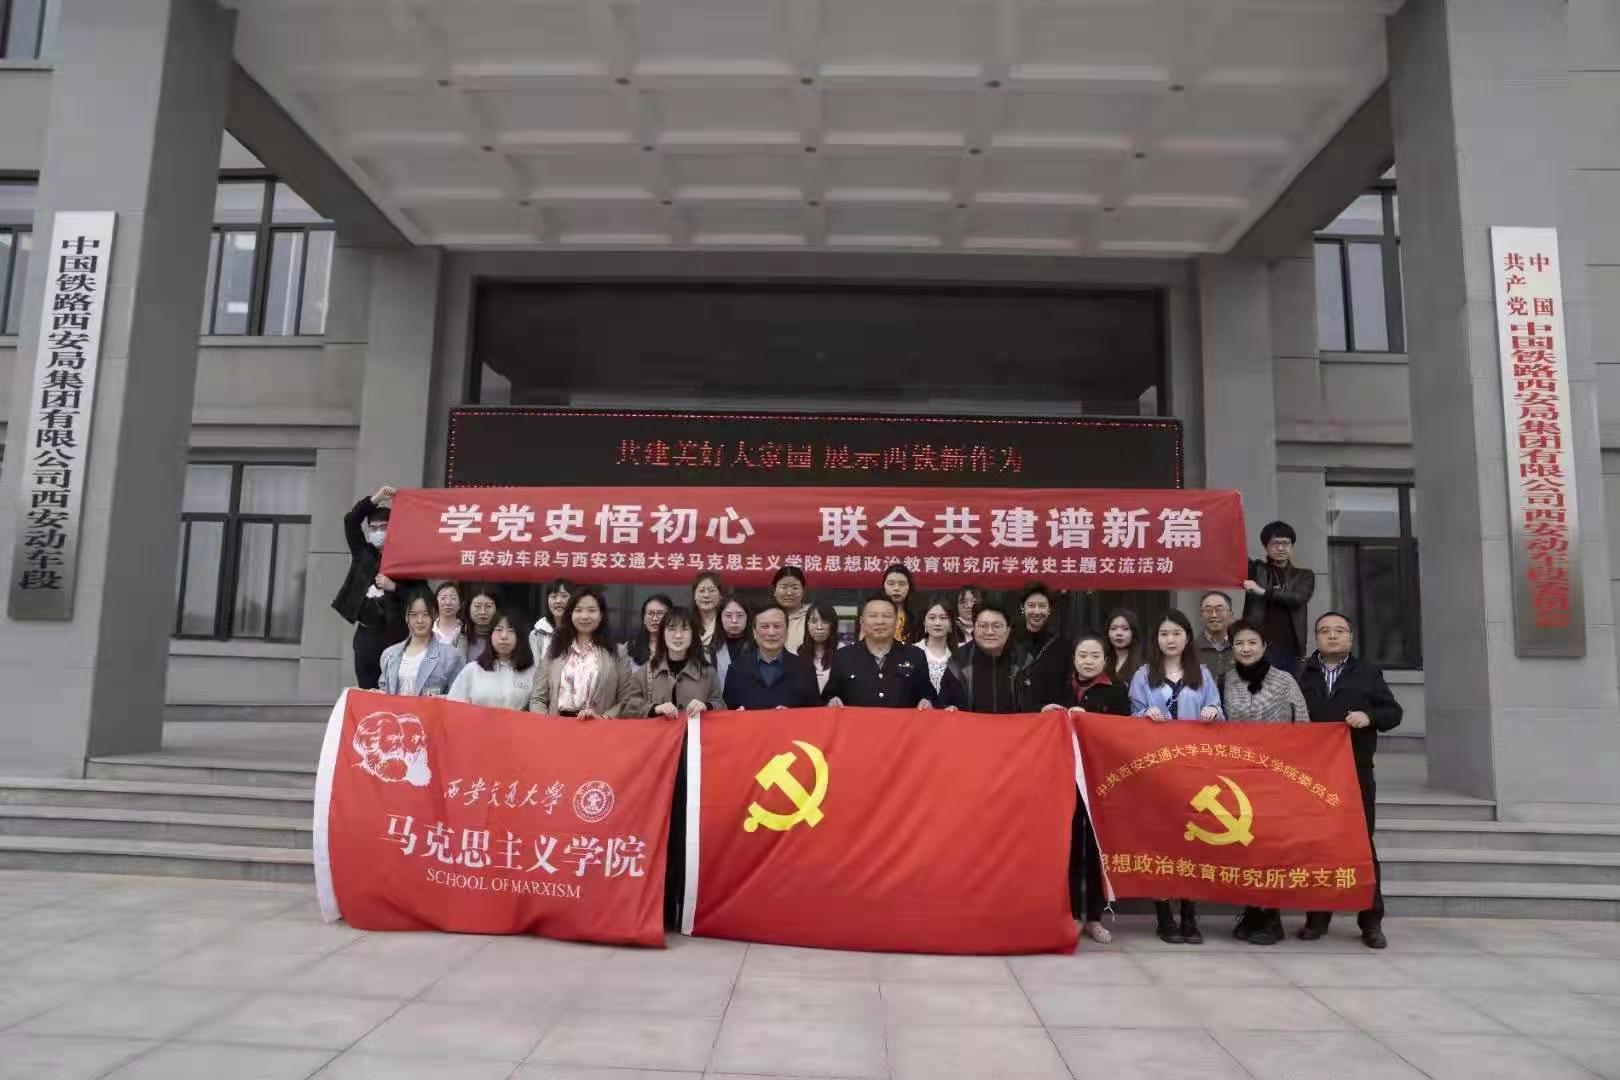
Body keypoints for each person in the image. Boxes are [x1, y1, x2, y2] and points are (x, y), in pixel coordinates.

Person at [1297, 611, 1402, 950]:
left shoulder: (1368, 674)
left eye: (1339, 631)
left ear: (1350, 637)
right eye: (1325, 631)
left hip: (1355, 773)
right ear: (1316, 637)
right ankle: (1317, 917)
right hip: (1310, 776)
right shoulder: (1300, 673)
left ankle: (1371, 921)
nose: (1332, 636)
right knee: (1316, 845)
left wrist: (1369, 716)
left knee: (1361, 844)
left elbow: (1393, 713)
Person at [1129, 609, 1222, 945]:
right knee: (1161, 842)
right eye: (1164, 634)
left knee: (1192, 842)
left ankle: (1189, 915)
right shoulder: (1143, 675)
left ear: (1187, 638)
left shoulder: (1203, 674)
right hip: (1157, 771)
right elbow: (1131, 718)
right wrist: (1145, 713)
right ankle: (1164, 916)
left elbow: (1218, 711)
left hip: (1193, 771)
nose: (1170, 640)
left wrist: (1213, 711)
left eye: (1176, 634)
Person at [1220, 619, 1309, 947]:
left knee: (1271, 847)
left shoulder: (1284, 680)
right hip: (1240, 776)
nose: (1246, 649)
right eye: (1239, 643)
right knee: (1245, 847)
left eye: (1252, 643)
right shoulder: (1226, 680)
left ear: (1264, 646)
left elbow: (1303, 724)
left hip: (1276, 776)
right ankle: (1251, 913)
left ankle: (1272, 917)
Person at [1041, 633, 1131, 943]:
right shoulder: (1060, 688)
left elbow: (1123, 734)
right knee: (1067, 846)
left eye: (1095, 656)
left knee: (1094, 850)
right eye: (1083, 655)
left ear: (1105, 660)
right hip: (1062, 780)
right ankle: (1070, 915)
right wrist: (1045, 716)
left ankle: (1094, 917)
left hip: (1098, 782)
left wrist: (1091, 721)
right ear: (1074, 659)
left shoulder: (1116, 691)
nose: (1088, 661)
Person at [333, 484, 423, 689]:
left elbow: (421, 595)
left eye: (383, 527)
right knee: (367, 689)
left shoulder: (407, 560)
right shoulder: (363, 553)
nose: (378, 532)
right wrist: (377, 498)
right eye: (373, 528)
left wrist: (394, 587)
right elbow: (350, 520)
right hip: (366, 633)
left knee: (393, 689)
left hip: (396, 634)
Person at [530, 586, 634, 718]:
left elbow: (626, 699)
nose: (584, 616)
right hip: (557, 725)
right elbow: (538, 697)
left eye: (592, 610)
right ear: (570, 614)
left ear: (601, 615)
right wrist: (545, 723)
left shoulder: (618, 652)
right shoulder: (555, 648)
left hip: (597, 726)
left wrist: (603, 718)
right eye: (578, 610)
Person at [824, 595, 938, 710]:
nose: (880, 621)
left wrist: (927, 701)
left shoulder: (915, 655)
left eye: (887, 616)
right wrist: (832, 699)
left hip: (903, 722)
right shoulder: (843, 656)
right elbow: (829, 696)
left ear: (896, 621)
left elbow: (929, 695)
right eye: (873, 616)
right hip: (857, 722)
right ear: (862, 622)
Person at [1242, 521, 1315, 676]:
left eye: (1285, 543)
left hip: (1291, 651)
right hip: (1258, 648)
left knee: (1290, 690)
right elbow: (1233, 554)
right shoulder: (1256, 570)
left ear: (1292, 547)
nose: (1281, 548)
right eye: (1275, 543)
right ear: (1265, 547)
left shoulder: (1304, 575)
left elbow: (1298, 598)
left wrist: (1262, 591)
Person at [626, 606, 725, 719]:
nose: (678, 635)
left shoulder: (708, 673)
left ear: (693, 634)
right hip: (658, 731)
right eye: (671, 628)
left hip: (695, 731)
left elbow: (721, 706)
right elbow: (628, 708)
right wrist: (655, 709)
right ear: (663, 634)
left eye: (685, 629)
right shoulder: (645, 672)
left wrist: (707, 706)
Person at [723, 604, 820, 709]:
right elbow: (727, 710)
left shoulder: (805, 669)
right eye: (765, 627)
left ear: (787, 631)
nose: (771, 633)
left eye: (777, 626)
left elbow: (815, 712)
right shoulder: (736, 669)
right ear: (754, 632)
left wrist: (792, 715)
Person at [939, 601, 1029, 713]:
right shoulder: (959, 661)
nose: (989, 632)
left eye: (996, 626)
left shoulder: (1023, 661)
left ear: (1008, 630)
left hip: (1014, 724)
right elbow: (943, 701)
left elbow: (1035, 703)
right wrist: (948, 707)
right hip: (969, 724)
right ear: (974, 629)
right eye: (983, 626)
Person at [378, 588, 465, 697]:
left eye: (426, 614)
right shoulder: (389, 654)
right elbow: (383, 691)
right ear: (406, 617)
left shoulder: (451, 656)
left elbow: (457, 696)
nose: (420, 620)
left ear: (435, 615)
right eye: (414, 614)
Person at [446, 607, 536, 710]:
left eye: (511, 631)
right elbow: (454, 708)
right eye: (498, 630)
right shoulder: (472, 670)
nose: (504, 636)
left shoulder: (532, 672)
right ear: (490, 635)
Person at [1017, 582, 1069, 708]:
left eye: (1042, 606)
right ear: (1022, 608)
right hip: (1017, 714)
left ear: (1049, 609)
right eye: (1031, 605)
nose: (1037, 611)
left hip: (1050, 714)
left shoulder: (1061, 645)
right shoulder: (1011, 641)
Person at [622, 593, 674, 673]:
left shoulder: (677, 648)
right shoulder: (630, 648)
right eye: (650, 613)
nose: (655, 618)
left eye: (660, 613)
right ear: (643, 619)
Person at [798, 600, 840, 694]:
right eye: (814, 621)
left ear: (833, 625)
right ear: (807, 624)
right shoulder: (796, 654)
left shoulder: (843, 653)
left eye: (825, 621)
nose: (819, 627)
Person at [528, 578, 575, 661]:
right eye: (553, 596)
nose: (558, 601)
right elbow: (537, 666)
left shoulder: (581, 631)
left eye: (564, 596)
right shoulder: (537, 633)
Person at [712, 594, 752, 689]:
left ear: (747, 617)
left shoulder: (758, 646)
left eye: (740, 615)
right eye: (728, 615)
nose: (734, 620)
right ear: (720, 618)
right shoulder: (710, 647)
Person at [918, 600, 956, 696]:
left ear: (951, 623)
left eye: (943, 618)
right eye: (932, 618)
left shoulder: (960, 654)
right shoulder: (912, 652)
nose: (937, 623)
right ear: (924, 622)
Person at [1196, 591, 1236, 683]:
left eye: (1219, 609)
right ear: (1201, 615)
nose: (1214, 615)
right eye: (1208, 610)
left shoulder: (1241, 648)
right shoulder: (1190, 650)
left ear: (1231, 614)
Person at [772, 565, 811, 652]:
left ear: (803, 591)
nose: (789, 593)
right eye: (784, 587)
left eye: (795, 588)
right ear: (774, 590)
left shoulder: (812, 616)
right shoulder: (765, 617)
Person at [879, 564, 920, 644]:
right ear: (884, 586)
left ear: (909, 587)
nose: (896, 588)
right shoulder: (874, 616)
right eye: (891, 584)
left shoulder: (916, 619)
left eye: (902, 584)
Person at [1103, 608, 1146, 683]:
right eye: (1113, 628)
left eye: (1125, 629)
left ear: (1134, 632)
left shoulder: (1144, 665)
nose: (1119, 633)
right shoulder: (1102, 661)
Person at [461, 586, 500, 666]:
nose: (483, 612)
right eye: (477, 606)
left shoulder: (503, 637)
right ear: (469, 608)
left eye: (488, 606)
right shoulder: (459, 637)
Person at [691, 572, 725, 653]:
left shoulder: (726, 623)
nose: (706, 595)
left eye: (712, 591)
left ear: (720, 596)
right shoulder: (687, 621)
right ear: (694, 596)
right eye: (701, 591)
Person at [431, 582, 465, 651]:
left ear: (460, 604)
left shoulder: (466, 630)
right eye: (443, 598)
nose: (448, 602)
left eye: (453, 598)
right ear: (436, 603)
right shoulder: (429, 629)